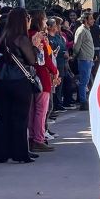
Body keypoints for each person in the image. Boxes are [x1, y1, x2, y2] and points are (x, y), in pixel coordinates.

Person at [0, 8, 43, 163]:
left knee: (4, 116)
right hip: (19, 80)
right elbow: (31, 60)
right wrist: (35, 46)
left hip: (2, 79)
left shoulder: (3, 36)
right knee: (20, 117)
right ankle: (20, 153)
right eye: (28, 18)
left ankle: (0, 153)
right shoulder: (21, 38)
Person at [28, 10, 58, 152]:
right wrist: (55, 71)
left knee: (32, 110)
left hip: (31, 76)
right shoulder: (38, 36)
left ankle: (32, 137)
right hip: (41, 75)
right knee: (41, 110)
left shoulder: (27, 35)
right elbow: (44, 58)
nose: (46, 22)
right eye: (44, 19)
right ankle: (38, 138)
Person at [73, 12, 95, 111]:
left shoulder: (87, 30)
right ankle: (83, 102)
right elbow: (76, 45)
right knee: (83, 82)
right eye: (91, 19)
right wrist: (75, 55)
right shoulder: (81, 30)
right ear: (85, 20)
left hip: (89, 59)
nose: (93, 20)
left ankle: (85, 100)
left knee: (87, 81)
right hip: (84, 59)